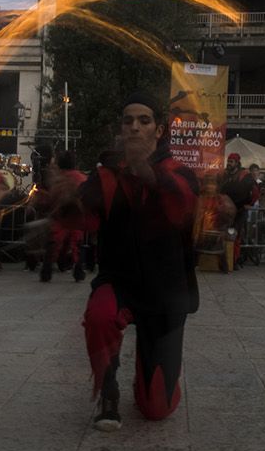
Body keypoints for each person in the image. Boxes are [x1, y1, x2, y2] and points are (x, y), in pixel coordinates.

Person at [77, 92, 199, 431]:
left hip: (166, 292)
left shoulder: (181, 173)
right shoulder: (105, 175)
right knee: (100, 315)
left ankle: (147, 379)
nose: (134, 127)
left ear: (158, 131)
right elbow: (84, 217)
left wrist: (142, 168)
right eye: (128, 121)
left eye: (143, 121)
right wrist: (58, 207)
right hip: (120, 281)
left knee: (157, 410)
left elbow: (182, 206)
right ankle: (109, 389)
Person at [40, 150, 88, 282]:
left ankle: (46, 272)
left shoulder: (57, 179)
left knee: (53, 245)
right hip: (76, 218)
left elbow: (50, 199)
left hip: (60, 217)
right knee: (76, 245)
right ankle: (78, 272)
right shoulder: (82, 178)